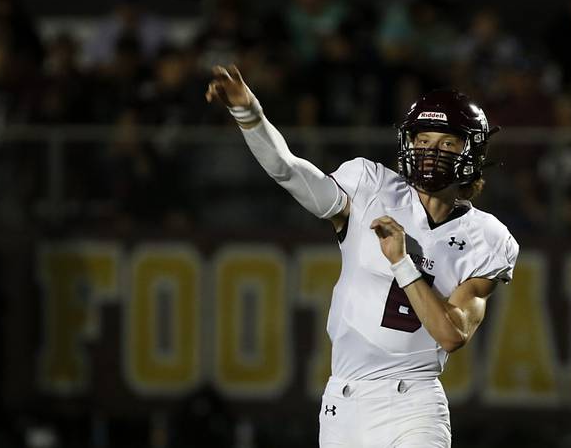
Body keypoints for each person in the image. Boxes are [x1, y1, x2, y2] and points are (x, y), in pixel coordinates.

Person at [205, 65, 519, 448]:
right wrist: (248, 112)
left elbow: (451, 335)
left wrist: (402, 262)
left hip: (415, 402)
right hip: (344, 401)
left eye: (446, 143)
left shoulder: (488, 237)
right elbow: (288, 171)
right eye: (423, 140)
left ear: (471, 151)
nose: (430, 152)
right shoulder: (370, 186)